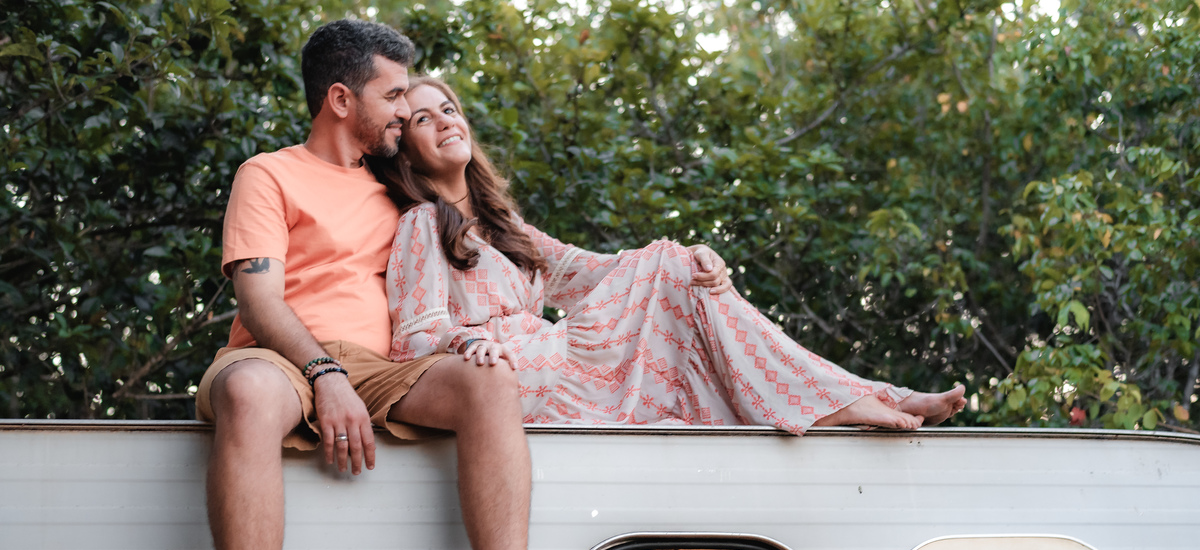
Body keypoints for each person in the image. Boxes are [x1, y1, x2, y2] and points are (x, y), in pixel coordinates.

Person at [194, 23, 580, 550]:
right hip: (281, 356)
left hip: (386, 365)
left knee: (488, 382)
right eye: (394, 94)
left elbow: (492, 253)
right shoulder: (270, 173)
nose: (406, 109)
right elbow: (259, 301)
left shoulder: (398, 189)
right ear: (341, 99)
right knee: (247, 396)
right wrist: (324, 373)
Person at [376, 77, 966, 432]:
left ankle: (851, 397)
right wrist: (469, 341)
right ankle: (849, 399)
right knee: (670, 269)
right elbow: (415, 336)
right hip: (510, 374)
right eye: (422, 119)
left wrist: (693, 255)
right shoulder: (422, 225)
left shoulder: (510, 230)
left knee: (677, 265)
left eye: (449, 109)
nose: (444, 122)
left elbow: (596, 273)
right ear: (409, 154)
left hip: (560, 362)